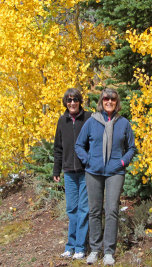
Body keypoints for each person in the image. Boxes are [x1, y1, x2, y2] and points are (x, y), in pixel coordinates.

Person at [75, 88, 136, 265]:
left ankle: (109, 251)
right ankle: (94, 249)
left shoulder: (123, 123)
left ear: (117, 102)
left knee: (111, 211)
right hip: (93, 172)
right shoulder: (92, 122)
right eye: (106, 99)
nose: (109, 101)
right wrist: (88, 161)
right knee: (94, 211)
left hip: (115, 172)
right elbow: (79, 145)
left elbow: (131, 148)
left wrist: (122, 162)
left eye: (113, 99)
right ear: (101, 101)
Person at [53, 88, 92, 260]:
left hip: (85, 172)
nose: (72, 103)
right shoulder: (62, 121)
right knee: (71, 209)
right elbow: (58, 148)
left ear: (80, 101)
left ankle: (80, 247)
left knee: (83, 209)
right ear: (65, 103)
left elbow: (95, 142)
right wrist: (56, 170)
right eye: (69, 100)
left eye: (75, 99)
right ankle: (70, 245)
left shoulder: (89, 118)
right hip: (69, 172)